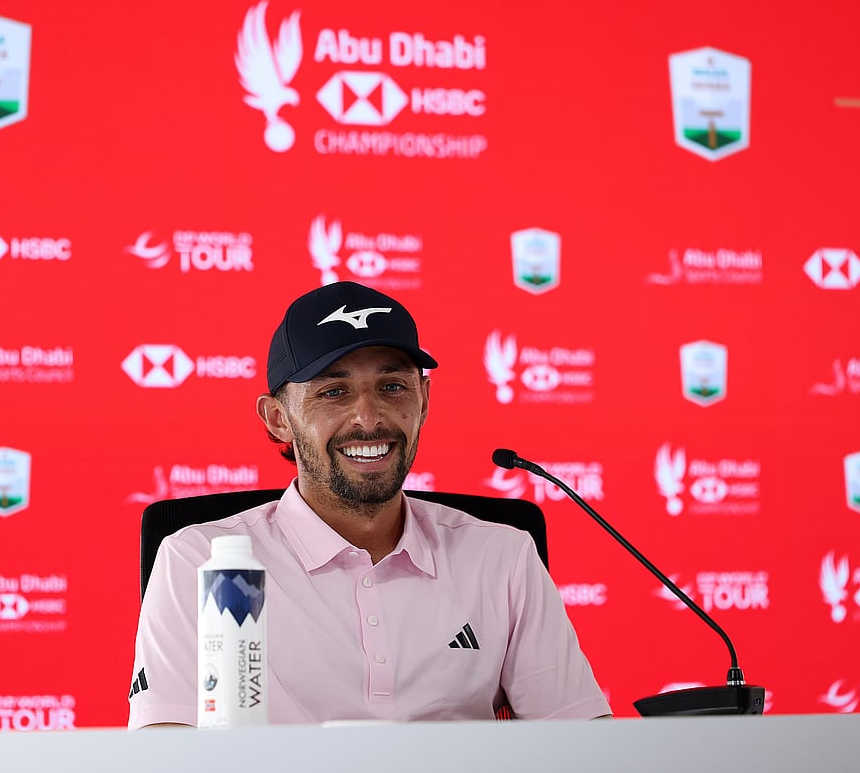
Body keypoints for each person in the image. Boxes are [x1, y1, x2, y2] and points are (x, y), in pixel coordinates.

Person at [128, 281, 610, 727]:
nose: (368, 417)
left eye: (392, 387)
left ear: (423, 400)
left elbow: (585, 749)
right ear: (277, 419)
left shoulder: (503, 556)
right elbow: (166, 753)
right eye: (333, 392)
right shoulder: (199, 561)